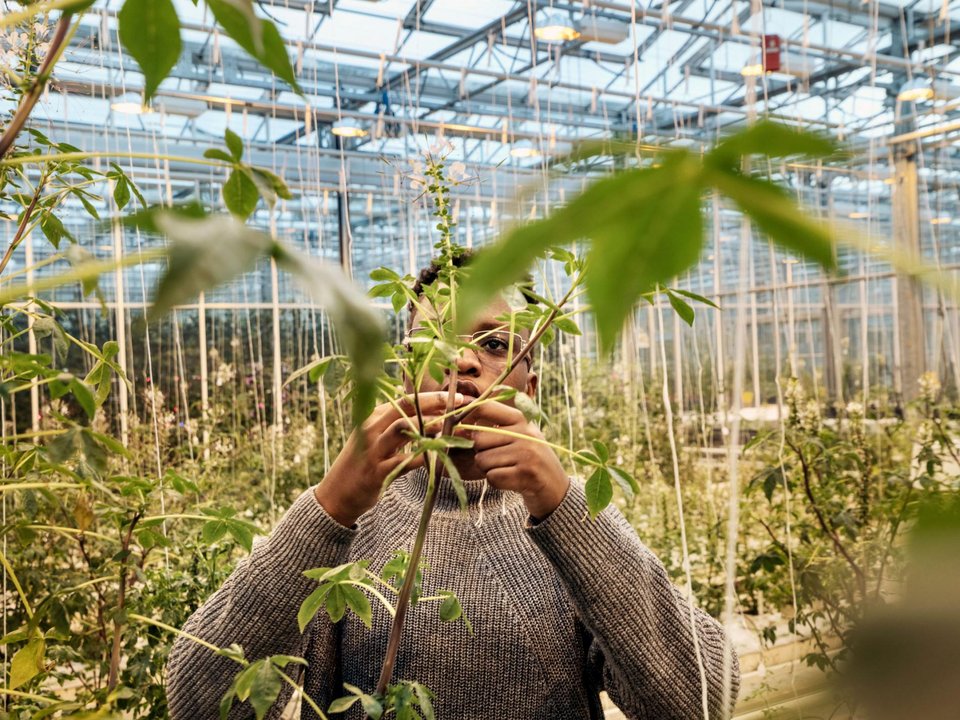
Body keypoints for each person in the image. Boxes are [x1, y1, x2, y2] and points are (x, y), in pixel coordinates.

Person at [166, 255, 740, 719]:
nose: (462, 360)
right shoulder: (348, 523)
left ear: (529, 387)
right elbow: (195, 703)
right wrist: (329, 507)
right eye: (433, 343)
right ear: (405, 377)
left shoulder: (570, 525)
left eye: (494, 344)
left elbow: (702, 702)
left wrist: (566, 509)